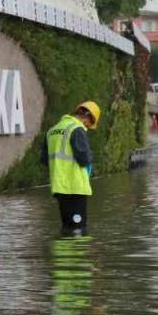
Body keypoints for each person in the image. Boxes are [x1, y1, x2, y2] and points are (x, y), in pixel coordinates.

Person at [40, 101, 99, 236]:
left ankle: (63, 255)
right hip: (75, 187)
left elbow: (44, 160)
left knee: (67, 226)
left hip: (59, 187)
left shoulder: (52, 130)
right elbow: (84, 159)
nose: (88, 128)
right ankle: (77, 256)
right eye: (90, 124)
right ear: (88, 117)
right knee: (78, 229)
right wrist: (90, 156)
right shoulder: (76, 129)